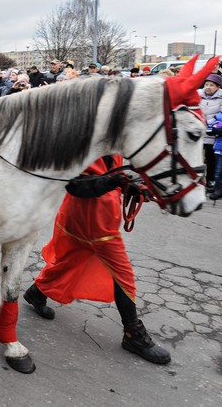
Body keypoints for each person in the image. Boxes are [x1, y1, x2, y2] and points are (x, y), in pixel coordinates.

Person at [22, 156, 171, 364]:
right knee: (123, 275)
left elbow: (112, 174)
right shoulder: (84, 141)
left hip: (89, 218)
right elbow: (76, 186)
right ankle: (133, 334)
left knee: (70, 262)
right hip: (95, 225)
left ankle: (36, 292)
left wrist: (131, 187)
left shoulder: (115, 143)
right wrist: (115, 181)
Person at [198, 73, 222, 192]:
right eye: (207, 84)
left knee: (211, 158)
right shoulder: (198, 95)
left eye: (211, 85)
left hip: (212, 132)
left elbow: (221, 114)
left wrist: (209, 123)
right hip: (198, 131)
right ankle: (197, 179)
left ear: (218, 87)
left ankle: (211, 179)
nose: (208, 87)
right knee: (196, 158)